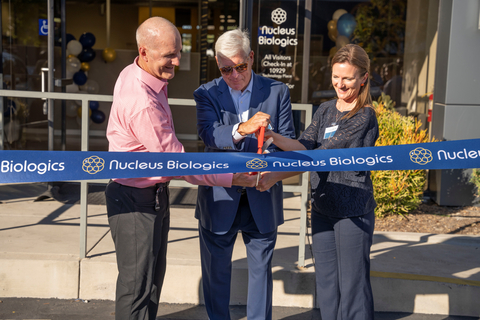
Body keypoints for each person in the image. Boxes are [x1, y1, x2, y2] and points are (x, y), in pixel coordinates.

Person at [105, 17, 256, 320]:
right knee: (137, 288)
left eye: (178, 51)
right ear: (144, 52)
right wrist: (231, 176)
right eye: (168, 56)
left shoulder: (138, 71)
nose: (176, 61)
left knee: (150, 284)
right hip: (136, 202)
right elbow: (177, 161)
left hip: (151, 196)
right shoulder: (141, 100)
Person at [257, 44, 379, 320]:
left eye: (348, 78)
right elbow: (304, 144)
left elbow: (319, 156)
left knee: (353, 289)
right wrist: (273, 137)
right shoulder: (325, 109)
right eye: (336, 76)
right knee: (326, 284)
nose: (340, 83)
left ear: (364, 78)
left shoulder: (364, 116)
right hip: (323, 208)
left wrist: (276, 176)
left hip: (353, 212)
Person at [193, 28, 296, 320]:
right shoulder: (206, 93)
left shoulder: (277, 91)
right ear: (218, 66)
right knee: (216, 276)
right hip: (220, 196)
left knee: (261, 276)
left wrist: (270, 171)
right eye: (227, 69)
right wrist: (242, 128)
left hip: (262, 195)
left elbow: (286, 139)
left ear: (252, 58)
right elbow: (209, 135)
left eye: (241, 66)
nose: (235, 75)